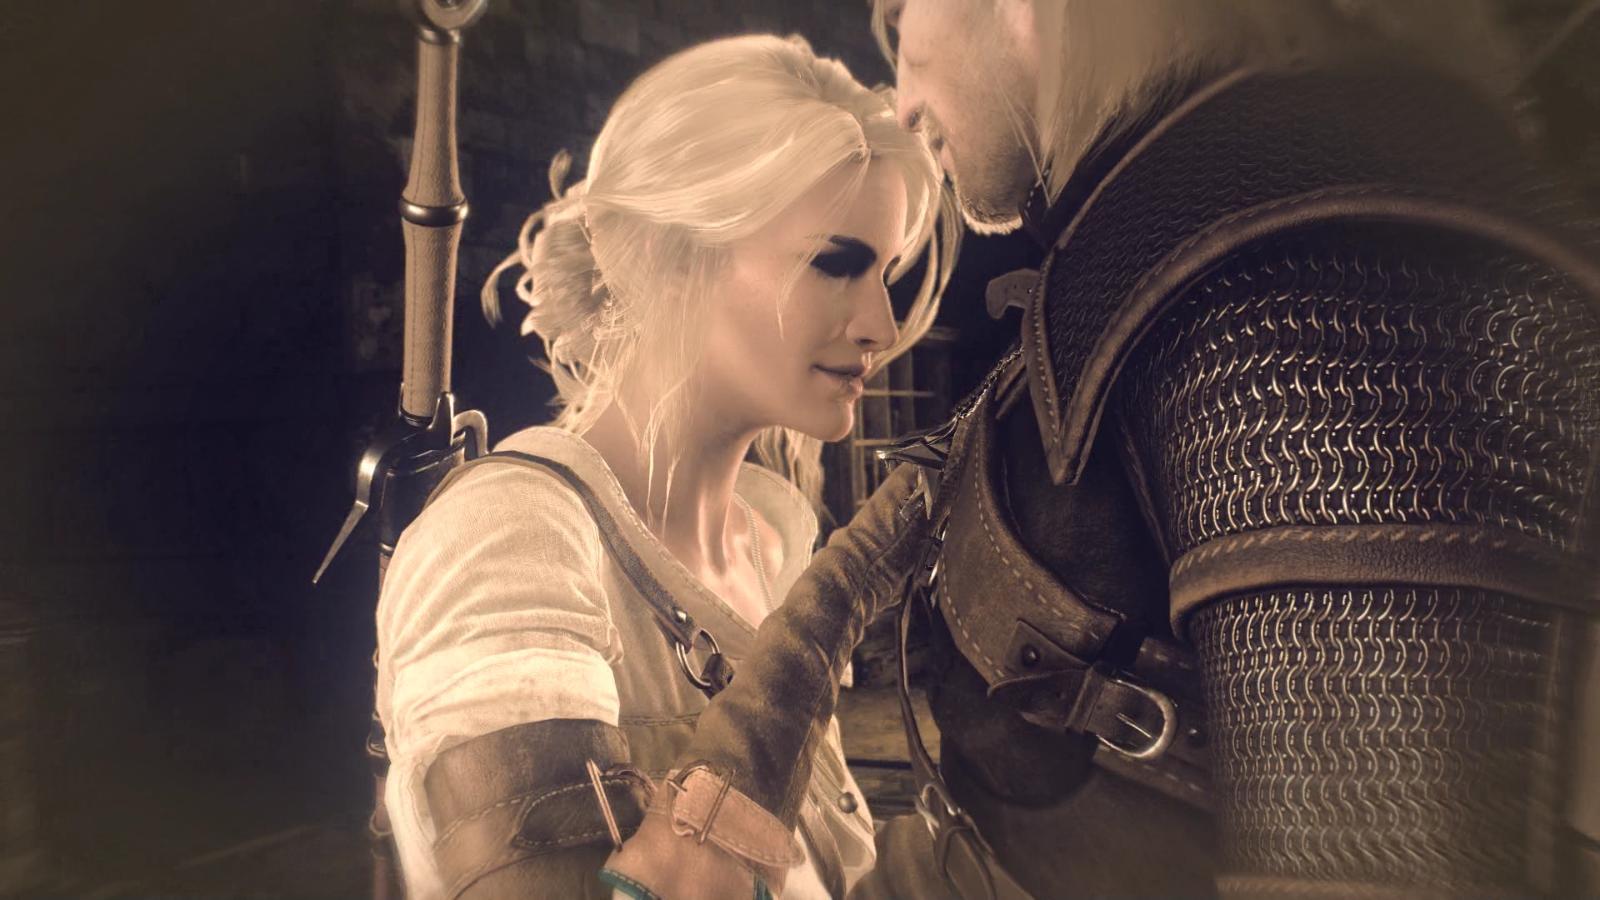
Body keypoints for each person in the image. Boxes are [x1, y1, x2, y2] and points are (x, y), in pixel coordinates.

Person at [603, 2, 1600, 898]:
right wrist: (738, 775)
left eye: (903, 18)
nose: (900, 98)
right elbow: (877, 543)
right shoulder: (1133, 263)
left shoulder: (1294, 290)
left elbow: (1382, 853)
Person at [374, 33, 955, 900]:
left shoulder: (772, 542)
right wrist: (822, 621)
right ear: (659, 254)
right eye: (835, 264)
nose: (880, 324)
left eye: (886, 273)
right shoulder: (508, 544)